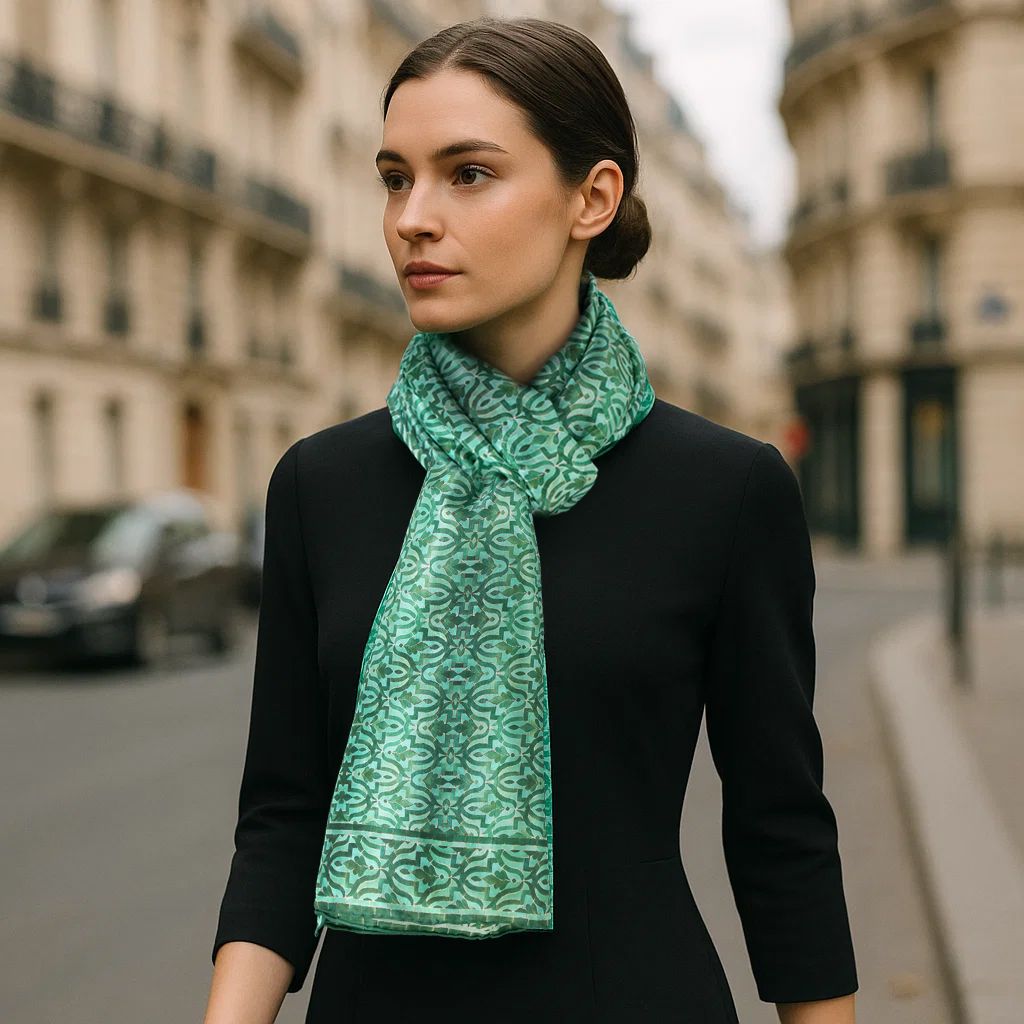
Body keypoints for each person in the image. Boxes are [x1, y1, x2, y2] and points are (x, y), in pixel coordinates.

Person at [204, 16, 858, 1024]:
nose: (412, 217)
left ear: (590, 198)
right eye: (394, 177)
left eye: (466, 173)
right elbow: (284, 818)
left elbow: (780, 832)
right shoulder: (319, 485)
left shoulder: (723, 490)